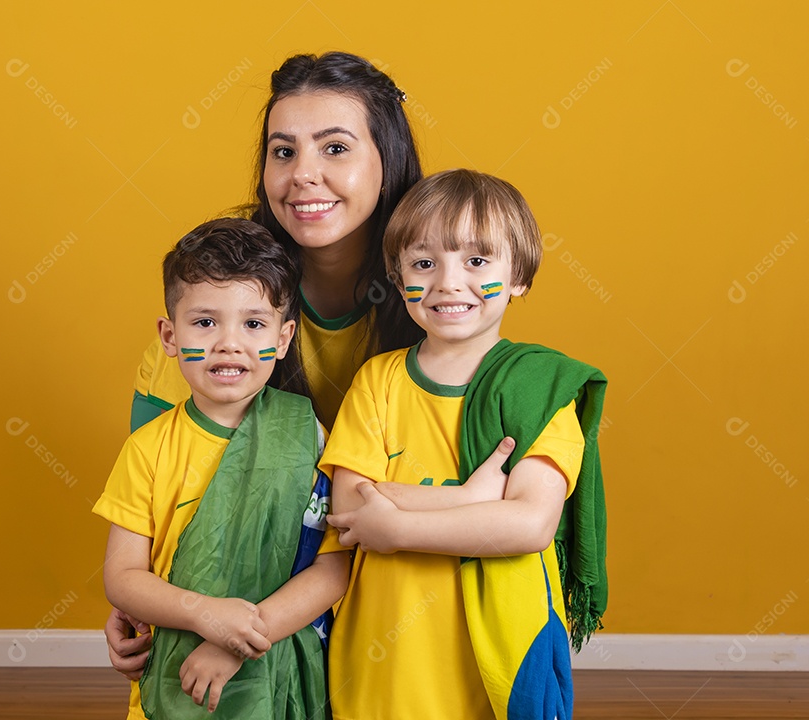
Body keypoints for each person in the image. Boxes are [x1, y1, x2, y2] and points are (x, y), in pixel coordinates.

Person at [105, 50, 514, 682]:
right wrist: (138, 604)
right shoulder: (224, 295)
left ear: (389, 161)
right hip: (237, 603)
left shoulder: (441, 300)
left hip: (395, 590)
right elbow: (159, 489)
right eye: (284, 151)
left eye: (336, 148)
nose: (303, 176)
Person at [322, 169, 608, 720]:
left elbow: (528, 525)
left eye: (476, 261)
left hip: (491, 652)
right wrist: (474, 499)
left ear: (519, 274)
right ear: (397, 274)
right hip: (386, 649)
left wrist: (398, 527)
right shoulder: (378, 380)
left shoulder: (537, 389)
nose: (448, 282)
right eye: (424, 263)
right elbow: (351, 509)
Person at [94, 218, 349, 719]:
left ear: (283, 337)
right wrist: (206, 615)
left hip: (278, 670)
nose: (229, 343)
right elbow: (123, 578)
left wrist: (239, 639)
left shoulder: (308, 436)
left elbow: (332, 566)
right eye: (205, 322)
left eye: (253, 324)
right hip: (175, 666)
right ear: (169, 336)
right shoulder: (148, 450)